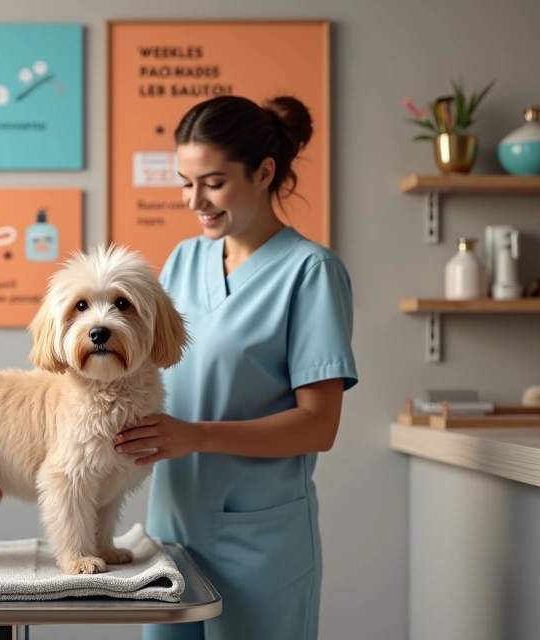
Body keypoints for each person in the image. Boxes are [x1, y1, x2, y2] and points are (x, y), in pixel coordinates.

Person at [111, 94, 359, 640]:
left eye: (213, 182)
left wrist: (196, 436)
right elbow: (128, 376)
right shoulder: (183, 260)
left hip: (260, 543)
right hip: (172, 531)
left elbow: (320, 425)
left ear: (264, 173)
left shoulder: (310, 272)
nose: (194, 200)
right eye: (185, 183)